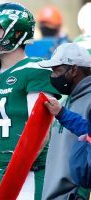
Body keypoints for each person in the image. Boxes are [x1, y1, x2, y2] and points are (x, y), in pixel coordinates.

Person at [0, 2, 60, 200]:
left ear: (17, 34)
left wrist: (13, 175)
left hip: (26, 174)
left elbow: (39, 131)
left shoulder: (35, 70)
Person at [38, 42, 91, 200]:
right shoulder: (68, 99)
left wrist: (81, 192)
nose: (53, 77)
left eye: (57, 71)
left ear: (74, 70)